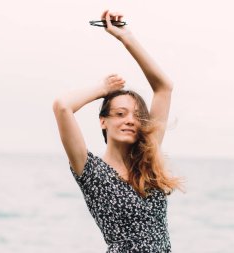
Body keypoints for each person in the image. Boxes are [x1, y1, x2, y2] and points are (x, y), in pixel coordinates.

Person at [53, 10, 181, 253]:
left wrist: (126, 37)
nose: (130, 120)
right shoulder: (90, 170)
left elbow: (164, 87)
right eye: (120, 114)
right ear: (104, 122)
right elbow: (62, 107)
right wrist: (103, 89)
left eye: (136, 115)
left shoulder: (147, 160)